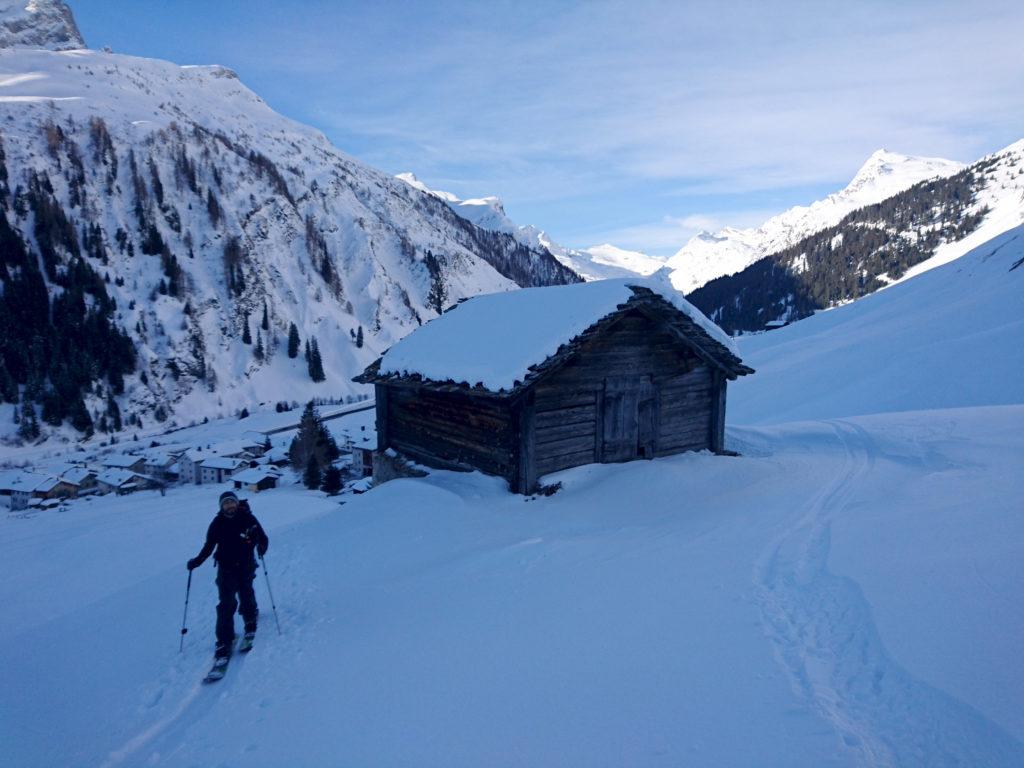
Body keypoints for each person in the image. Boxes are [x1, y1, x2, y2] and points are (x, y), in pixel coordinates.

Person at [187, 490, 269, 658]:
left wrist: (262, 547)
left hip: (246, 564)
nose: (229, 505)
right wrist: (197, 561)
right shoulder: (217, 523)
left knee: (246, 592)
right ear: (221, 506)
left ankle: (250, 618)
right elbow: (209, 545)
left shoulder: (248, 518)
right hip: (226, 568)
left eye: (232, 502)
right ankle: (224, 640)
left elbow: (263, 537)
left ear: (237, 503)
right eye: (226, 503)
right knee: (226, 603)